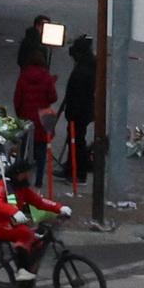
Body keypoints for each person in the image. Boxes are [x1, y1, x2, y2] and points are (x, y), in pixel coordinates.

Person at [0, 166, 68, 287]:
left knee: (37, 241)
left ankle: (27, 270)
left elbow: (39, 202)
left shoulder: (22, 189)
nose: (28, 176)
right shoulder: (2, 185)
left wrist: (59, 208)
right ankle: (22, 271)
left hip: (10, 222)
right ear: (17, 174)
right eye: (25, 173)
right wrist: (13, 212)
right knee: (25, 233)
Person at [12, 53, 59, 178]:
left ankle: (22, 176)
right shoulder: (47, 77)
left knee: (24, 147)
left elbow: (17, 99)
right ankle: (39, 180)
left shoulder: (23, 76)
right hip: (42, 117)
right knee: (41, 148)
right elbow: (53, 98)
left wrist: (20, 115)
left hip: (26, 116)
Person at [60, 36, 100, 182]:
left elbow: (78, 95)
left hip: (78, 113)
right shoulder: (88, 66)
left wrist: (71, 114)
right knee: (75, 141)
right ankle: (71, 168)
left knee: (76, 142)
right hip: (82, 112)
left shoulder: (83, 71)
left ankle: (77, 172)